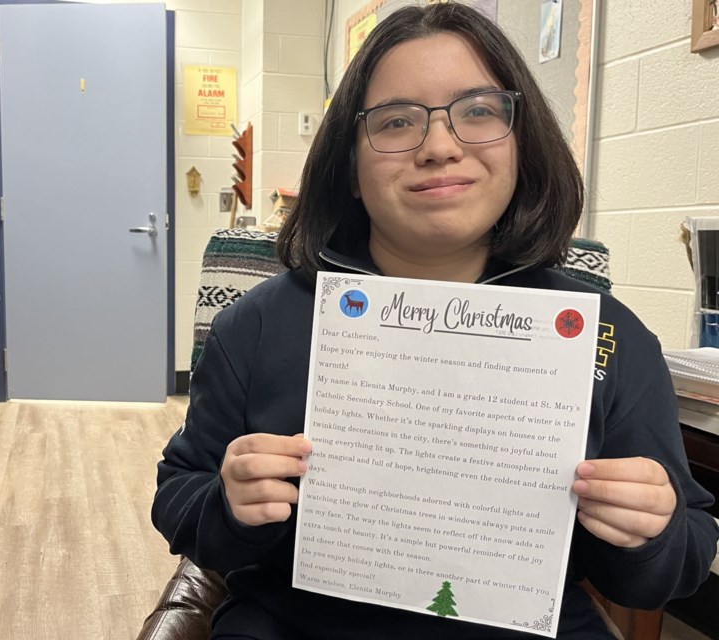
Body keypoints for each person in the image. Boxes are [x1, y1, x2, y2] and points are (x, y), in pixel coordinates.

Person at [151, 3, 719, 638]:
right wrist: (227, 504)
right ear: (351, 169)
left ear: (520, 143)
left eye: (477, 111)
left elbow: (678, 560)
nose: (440, 147)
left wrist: (651, 530)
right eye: (397, 122)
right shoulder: (256, 327)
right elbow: (177, 493)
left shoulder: (605, 336)